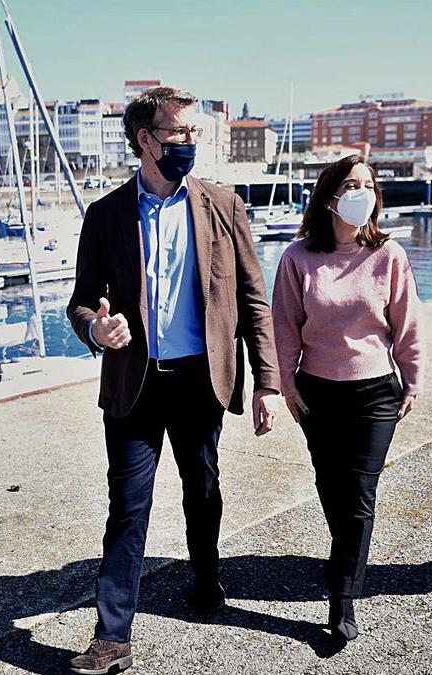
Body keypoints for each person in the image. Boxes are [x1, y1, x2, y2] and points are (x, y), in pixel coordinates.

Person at [65, 86, 280, 674]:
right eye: (179, 133)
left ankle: (206, 579)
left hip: (200, 381)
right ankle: (112, 636)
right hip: (134, 386)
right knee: (127, 507)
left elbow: (253, 300)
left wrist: (267, 382)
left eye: (194, 133)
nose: (190, 143)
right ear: (145, 140)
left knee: (202, 489)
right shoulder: (106, 214)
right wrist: (95, 331)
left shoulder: (223, 205)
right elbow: (81, 302)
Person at [271, 153, 422, 641]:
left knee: (358, 495)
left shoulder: (389, 255)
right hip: (317, 390)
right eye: (353, 184)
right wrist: (286, 384)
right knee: (331, 488)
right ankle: (344, 564)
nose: (364, 193)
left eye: (370, 185)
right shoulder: (297, 258)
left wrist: (413, 377)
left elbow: (407, 323)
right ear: (330, 196)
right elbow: (284, 327)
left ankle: (343, 599)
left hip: (375, 391)